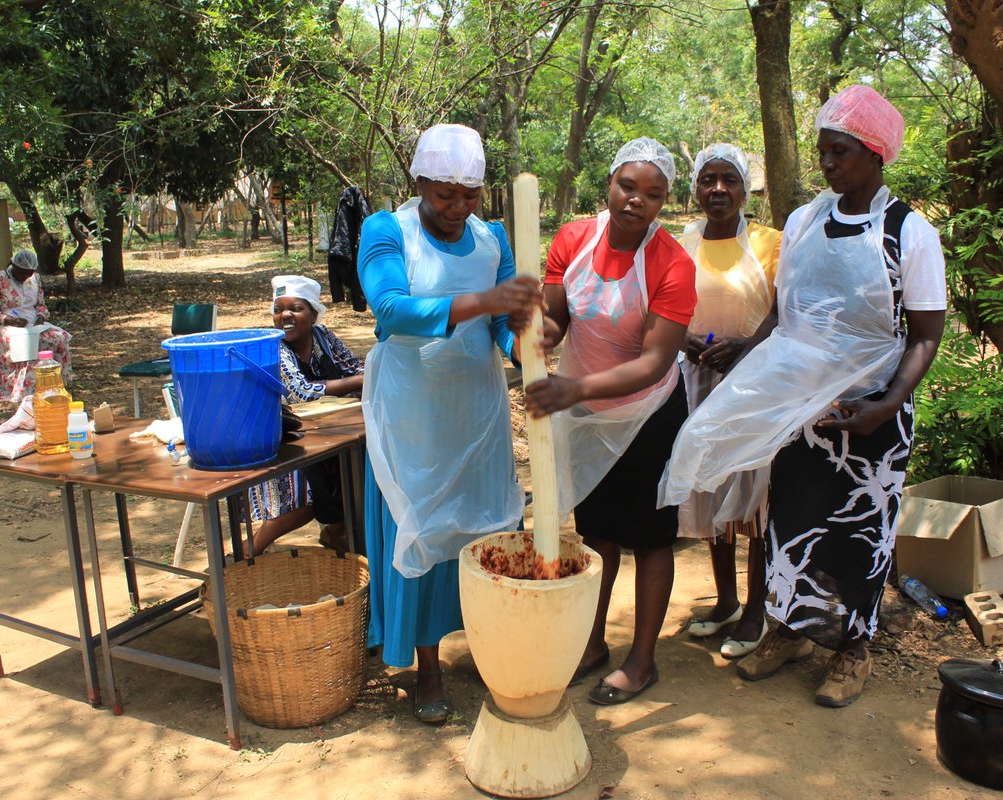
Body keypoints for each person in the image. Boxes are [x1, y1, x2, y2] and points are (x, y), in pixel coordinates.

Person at [660, 85, 946, 707]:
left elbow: (926, 334)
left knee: (860, 529)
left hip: (870, 411)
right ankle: (788, 631)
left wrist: (887, 404)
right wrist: (752, 370)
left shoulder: (909, 232)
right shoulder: (805, 222)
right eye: (823, 151)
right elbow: (785, 316)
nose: (827, 163)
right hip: (800, 407)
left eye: (840, 152)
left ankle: (851, 650)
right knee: (791, 519)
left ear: (875, 152)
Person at [356, 123, 542, 724]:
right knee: (424, 530)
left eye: (470, 195)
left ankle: (491, 645)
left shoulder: (491, 240)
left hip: (475, 410)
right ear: (418, 183)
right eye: (444, 195)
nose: (458, 208)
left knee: (487, 527)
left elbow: (504, 326)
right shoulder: (386, 230)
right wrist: (488, 302)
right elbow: (391, 310)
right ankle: (428, 666)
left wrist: (527, 349)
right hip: (411, 413)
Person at [524, 137, 696, 705]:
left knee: (650, 539)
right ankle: (592, 643)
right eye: (627, 186)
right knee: (596, 533)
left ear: (663, 202)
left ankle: (641, 661)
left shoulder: (673, 264)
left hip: (648, 416)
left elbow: (654, 363)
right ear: (609, 183)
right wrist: (539, 335)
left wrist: (572, 387)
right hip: (588, 415)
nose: (636, 200)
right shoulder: (573, 239)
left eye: (653, 194)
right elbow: (557, 318)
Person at [678, 144, 781, 659]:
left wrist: (745, 348)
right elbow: (664, 304)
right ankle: (724, 601)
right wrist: (686, 341)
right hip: (699, 381)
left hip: (756, 383)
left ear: (744, 189)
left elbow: (785, 308)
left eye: (729, 180)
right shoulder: (682, 243)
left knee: (756, 497)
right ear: (696, 188)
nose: (718, 189)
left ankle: (757, 611)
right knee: (711, 487)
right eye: (708, 180)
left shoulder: (770, 242)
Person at [247, 275, 364, 556]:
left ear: (313, 315)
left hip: (330, 433)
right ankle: (248, 551)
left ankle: (337, 533)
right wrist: (361, 380)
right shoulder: (275, 348)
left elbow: (352, 366)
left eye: (296, 308)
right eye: (278, 310)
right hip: (287, 440)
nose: (285, 315)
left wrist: (365, 374)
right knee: (308, 500)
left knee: (359, 471)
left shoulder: (323, 337)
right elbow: (301, 393)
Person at [0, 249, 73, 402]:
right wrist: (7, 319)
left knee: (60, 338)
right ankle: (25, 389)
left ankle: (56, 384)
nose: (26, 276)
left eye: (29, 273)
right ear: (13, 266)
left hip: (32, 322)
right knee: (25, 343)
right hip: (5, 324)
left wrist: (41, 316)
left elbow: (41, 305)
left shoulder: (35, 278)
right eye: (22, 272)